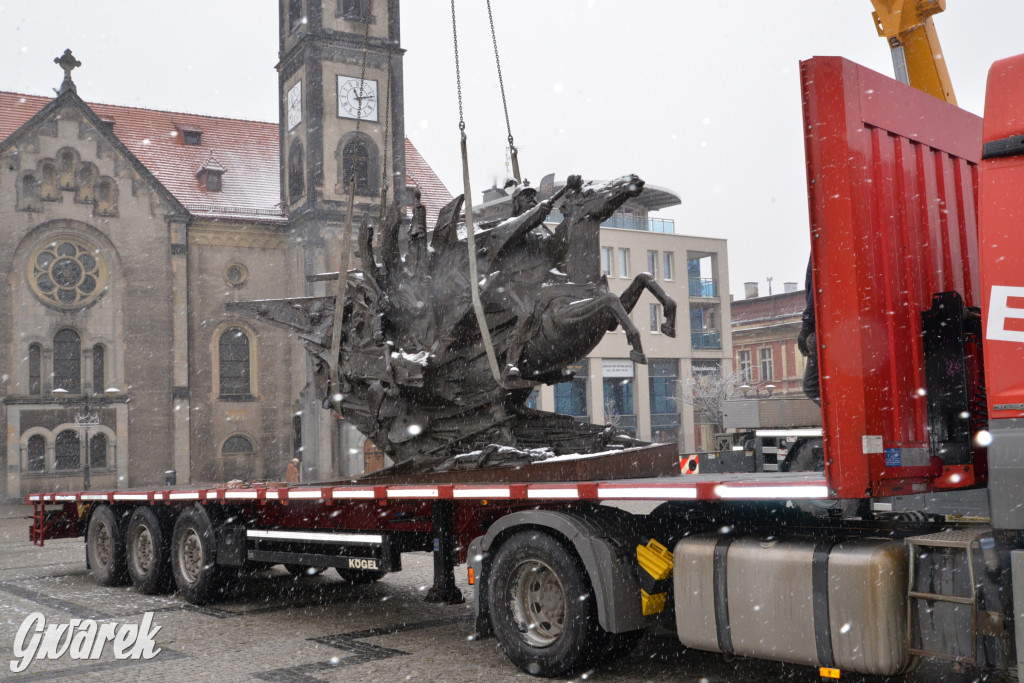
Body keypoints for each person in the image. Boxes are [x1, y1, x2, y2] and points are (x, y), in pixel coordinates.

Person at [797, 256, 820, 405]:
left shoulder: (820, 245)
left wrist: (807, 326)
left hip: (824, 326)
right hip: (828, 324)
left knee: (811, 385)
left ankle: (837, 421)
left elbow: (815, 290)